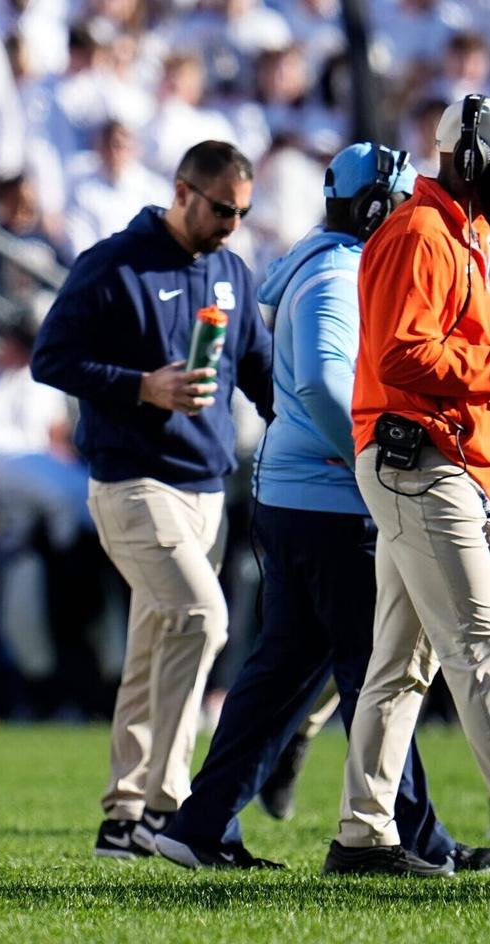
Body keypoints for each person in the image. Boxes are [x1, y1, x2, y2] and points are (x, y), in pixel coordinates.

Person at [150, 142, 489, 873]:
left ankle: (198, 825)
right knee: (381, 663)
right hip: (330, 501)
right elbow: (325, 388)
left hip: (307, 496)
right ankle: (401, 836)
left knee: (294, 671)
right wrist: (370, 466)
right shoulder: (339, 273)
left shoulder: (330, 263)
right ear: (374, 205)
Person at [31, 140, 273, 860]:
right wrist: (142, 385)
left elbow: (258, 371)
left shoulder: (230, 271)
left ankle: (124, 816)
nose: (231, 224)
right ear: (182, 192)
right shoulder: (115, 262)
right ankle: (172, 807)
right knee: (201, 619)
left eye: (242, 212)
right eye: (221, 209)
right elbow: (51, 357)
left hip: (206, 490)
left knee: (156, 646)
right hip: (132, 483)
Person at [333, 94, 490, 876]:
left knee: (402, 662)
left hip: (439, 461)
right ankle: (362, 831)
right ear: (471, 157)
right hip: (416, 460)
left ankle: (362, 835)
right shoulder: (418, 232)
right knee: (479, 646)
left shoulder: (466, 233)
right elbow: (401, 354)